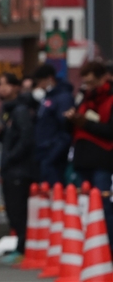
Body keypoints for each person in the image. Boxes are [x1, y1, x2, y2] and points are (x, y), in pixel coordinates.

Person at [64, 60, 113, 250]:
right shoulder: (83, 98)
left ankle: (107, 246)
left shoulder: (109, 99)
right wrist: (72, 120)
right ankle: (90, 247)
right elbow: (70, 129)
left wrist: (85, 123)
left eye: (92, 82)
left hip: (102, 157)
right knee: (85, 205)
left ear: (104, 78)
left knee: (102, 204)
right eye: (86, 83)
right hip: (82, 157)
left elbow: (109, 130)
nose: (89, 87)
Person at [0, 72, 36, 264]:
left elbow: (26, 140)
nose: (2, 88)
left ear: (16, 87)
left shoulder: (20, 110)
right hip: (11, 168)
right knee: (12, 210)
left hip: (19, 170)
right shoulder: (8, 110)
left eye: (6, 84)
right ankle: (20, 246)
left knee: (18, 210)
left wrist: (10, 157)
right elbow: (13, 139)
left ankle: (23, 248)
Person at [32, 63, 74, 185]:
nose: (39, 86)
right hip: (42, 152)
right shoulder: (47, 99)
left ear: (50, 79)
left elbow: (65, 127)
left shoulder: (63, 98)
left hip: (53, 154)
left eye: (41, 82)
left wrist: (52, 155)